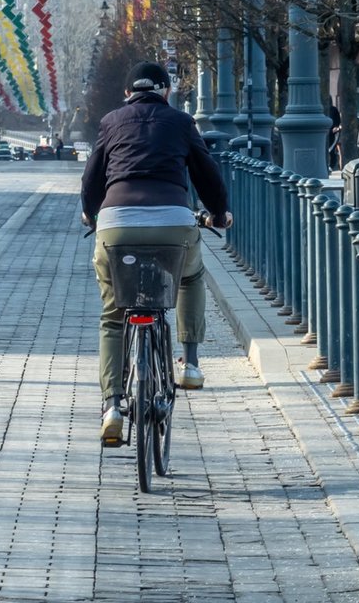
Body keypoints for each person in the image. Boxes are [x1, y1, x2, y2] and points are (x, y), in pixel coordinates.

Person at [80, 61, 231, 443]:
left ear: (127, 93)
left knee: (114, 314)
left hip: (116, 223)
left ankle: (112, 405)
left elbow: (92, 176)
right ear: (166, 91)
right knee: (190, 277)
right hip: (173, 222)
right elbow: (206, 172)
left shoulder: (111, 121)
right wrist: (218, 213)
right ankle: (190, 363)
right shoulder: (181, 122)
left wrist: (89, 212)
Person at [327, 102, 342, 170]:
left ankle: (331, 165)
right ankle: (331, 165)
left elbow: (338, 121)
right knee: (331, 150)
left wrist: (336, 127)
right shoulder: (333, 109)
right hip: (331, 131)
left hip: (332, 132)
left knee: (332, 150)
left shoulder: (333, 109)